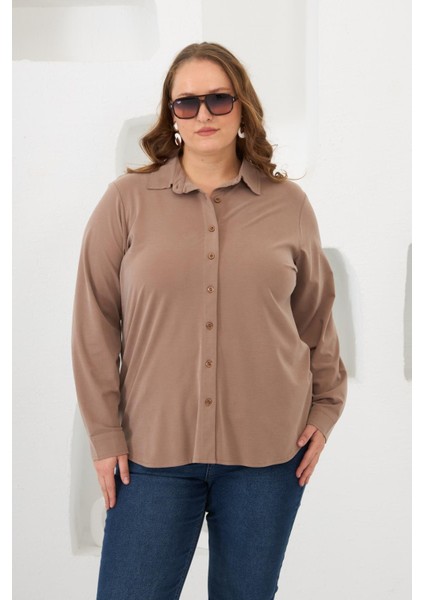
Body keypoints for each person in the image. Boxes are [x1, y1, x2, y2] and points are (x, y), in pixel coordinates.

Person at [71, 41, 348, 600]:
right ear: (170, 115)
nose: (204, 114)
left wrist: (325, 408)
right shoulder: (126, 201)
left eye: (219, 99)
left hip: (268, 457)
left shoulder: (288, 205)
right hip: (149, 456)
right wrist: (104, 434)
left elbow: (315, 318)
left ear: (242, 107)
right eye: (187, 102)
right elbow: (94, 321)